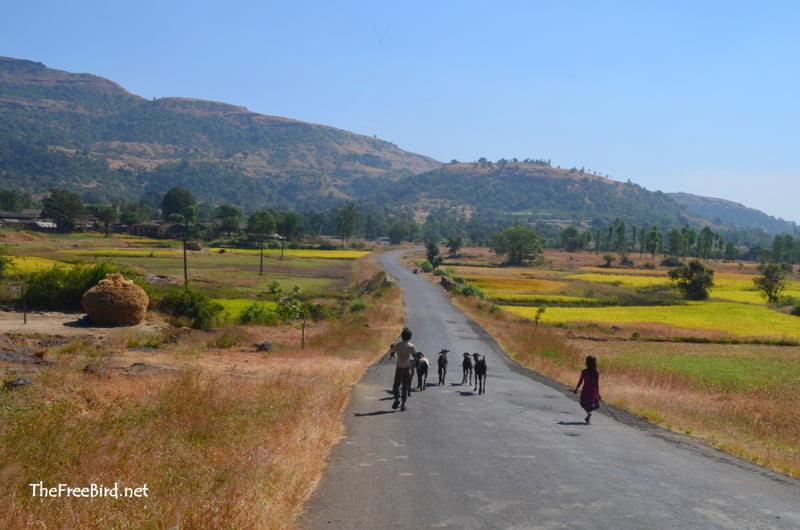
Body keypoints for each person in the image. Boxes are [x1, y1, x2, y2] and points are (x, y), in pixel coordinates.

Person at [388, 327, 417, 411]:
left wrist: (392, 353)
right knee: (405, 387)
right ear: (410, 337)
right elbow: (415, 356)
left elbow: (392, 352)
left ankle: (397, 399)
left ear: (402, 336)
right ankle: (403, 405)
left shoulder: (398, 345)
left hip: (399, 367)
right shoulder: (411, 346)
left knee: (396, 386)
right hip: (407, 368)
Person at [573, 355, 601, 424]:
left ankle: (588, 413)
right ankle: (589, 415)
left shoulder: (584, 371)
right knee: (591, 403)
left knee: (583, 403)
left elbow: (580, 381)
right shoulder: (596, 373)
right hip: (593, 391)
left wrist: (576, 388)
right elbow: (597, 384)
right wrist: (598, 393)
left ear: (587, 363)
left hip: (586, 390)